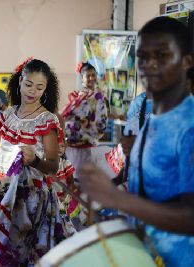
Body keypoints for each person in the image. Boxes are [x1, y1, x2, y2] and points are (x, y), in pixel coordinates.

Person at [79, 17, 194, 267]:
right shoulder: (144, 112)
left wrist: (117, 198)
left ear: (186, 61)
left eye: (162, 55)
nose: (149, 65)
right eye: (142, 57)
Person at [0, 59, 65, 266]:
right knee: (0, 253)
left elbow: (53, 166)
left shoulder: (47, 119)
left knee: (22, 255)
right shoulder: (9, 114)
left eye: (39, 87)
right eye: (28, 84)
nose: (33, 91)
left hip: (32, 200)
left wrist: (35, 161)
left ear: (46, 89)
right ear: (20, 81)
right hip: (4, 193)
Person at [61, 62, 109, 179]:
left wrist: (86, 124)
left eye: (94, 75)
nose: (92, 78)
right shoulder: (77, 96)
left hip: (87, 144)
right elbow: (65, 116)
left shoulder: (99, 97)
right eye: (88, 76)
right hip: (72, 144)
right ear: (82, 79)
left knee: (83, 179)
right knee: (73, 178)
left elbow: (101, 122)